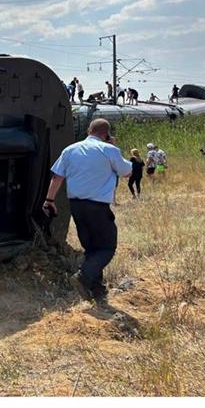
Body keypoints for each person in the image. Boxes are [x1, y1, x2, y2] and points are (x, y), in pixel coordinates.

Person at [42, 118, 132, 303]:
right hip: (98, 206)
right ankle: (83, 276)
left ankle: (95, 289)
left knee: (91, 247)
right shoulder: (109, 150)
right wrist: (114, 147)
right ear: (106, 134)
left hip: (76, 205)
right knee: (107, 247)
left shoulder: (70, 150)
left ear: (89, 130)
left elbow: (57, 177)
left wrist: (49, 199)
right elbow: (127, 172)